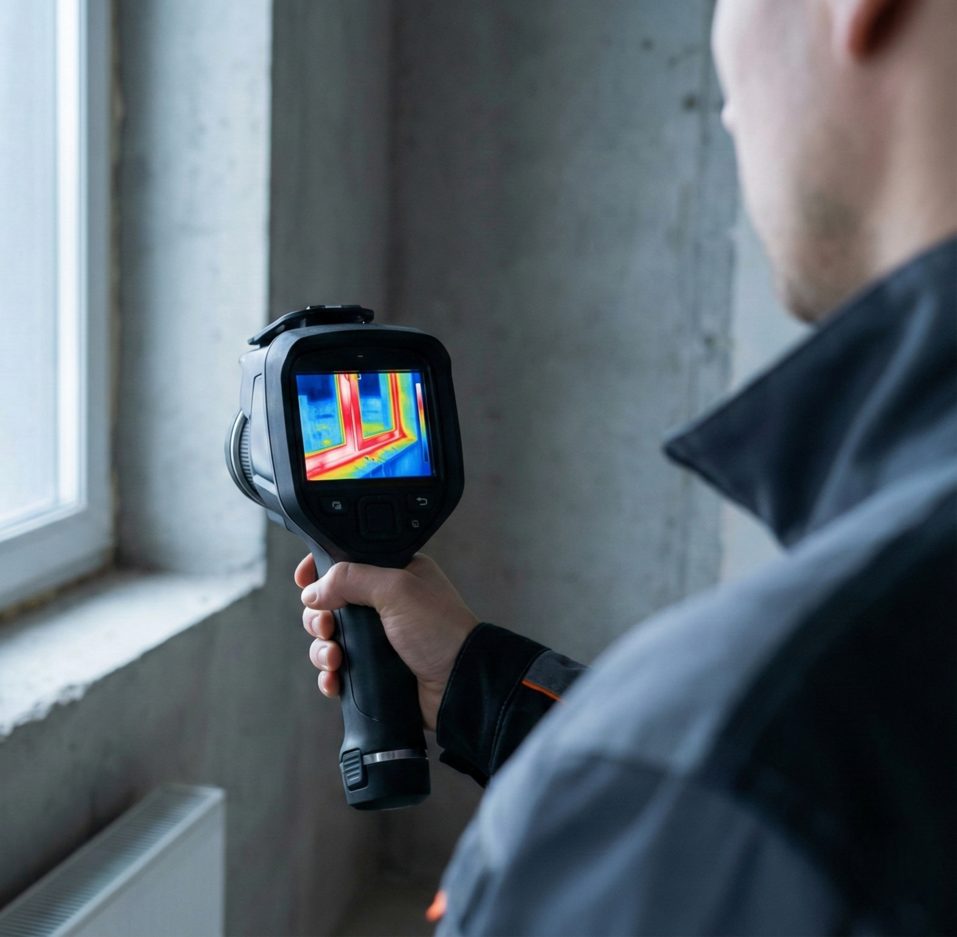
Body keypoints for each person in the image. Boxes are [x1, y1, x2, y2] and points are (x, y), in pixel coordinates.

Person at [297, 0, 956, 932]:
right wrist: (479, 681)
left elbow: (713, 784)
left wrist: (615, 770)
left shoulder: (683, 782)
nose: (726, 108)